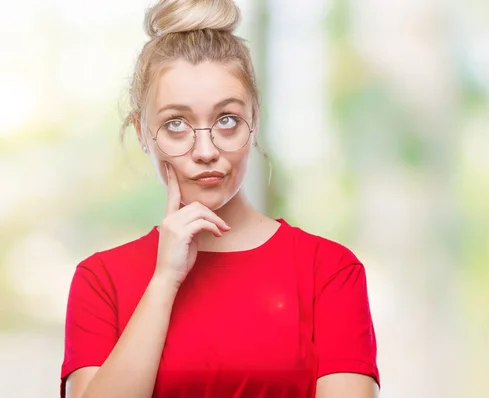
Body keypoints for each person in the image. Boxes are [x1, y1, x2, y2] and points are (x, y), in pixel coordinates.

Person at [60, 0, 380, 397]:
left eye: (226, 119)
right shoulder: (101, 281)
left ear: (254, 122)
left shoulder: (328, 272)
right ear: (143, 132)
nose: (206, 150)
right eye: (176, 124)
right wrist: (164, 280)